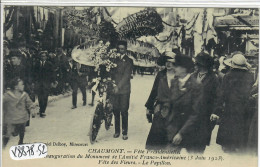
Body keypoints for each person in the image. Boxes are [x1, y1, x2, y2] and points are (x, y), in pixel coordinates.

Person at [211, 53, 254, 153]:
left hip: (230, 109)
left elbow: (222, 95)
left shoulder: (228, 76)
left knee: (228, 137)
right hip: (244, 109)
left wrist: (217, 110)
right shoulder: (250, 76)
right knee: (242, 134)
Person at [186, 52, 219, 153]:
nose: (195, 65)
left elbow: (217, 97)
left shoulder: (214, 79)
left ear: (204, 65)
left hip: (204, 116)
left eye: (198, 63)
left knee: (199, 145)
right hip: (190, 115)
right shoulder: (192, 76)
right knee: (189, 144)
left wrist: (215, 112)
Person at [2, 78, 34, 148]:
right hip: (12, 118)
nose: (23, 86)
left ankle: (20, 142)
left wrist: (32, 109)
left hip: (21, 117)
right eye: (21, 85)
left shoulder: (24, 95)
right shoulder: (7, 95)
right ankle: (3, 145)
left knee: (22, 131)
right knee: (9, 133)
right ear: (16, 87)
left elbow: (29, 103)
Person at [111, 41, 133, 140]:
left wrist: (118, 86)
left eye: (122, 49)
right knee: (115, 110)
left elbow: (126, 76)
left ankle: (124, 132)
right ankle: (117, 131)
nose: (120, 51)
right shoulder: (113, 60)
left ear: (126, 49)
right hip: (114, 89)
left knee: (124, 110)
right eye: (119, 49)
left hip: (124, 89)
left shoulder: (129, 61)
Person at [145, 52, 173, 123]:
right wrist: (149, 107)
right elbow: (154, 90)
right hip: (161, 107)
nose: (168, 64)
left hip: (174, 109)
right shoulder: (161, 74)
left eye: (171, 62)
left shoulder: (178, 75)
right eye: (166, 62)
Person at [33, 51, 55, 118]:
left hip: (46, 83)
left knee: (45, 97)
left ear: (46, 57)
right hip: (39, 83)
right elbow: (34, 72)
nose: (43, 57)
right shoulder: (37, 64)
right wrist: (35, 81)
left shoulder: (49, 64)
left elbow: (52, 73)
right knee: (40, 97)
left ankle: (43, 111)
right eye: (42, 56)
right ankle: (40, 109)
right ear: (40, 57)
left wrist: (52, 81)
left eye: (44, 56)